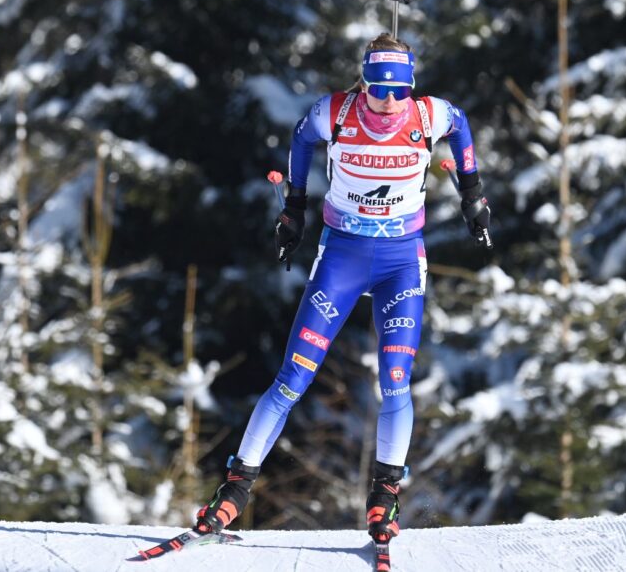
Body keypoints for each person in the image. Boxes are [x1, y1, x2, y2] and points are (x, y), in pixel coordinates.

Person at [195, 33, 492, 543]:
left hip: (401, 261)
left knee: (395, 378)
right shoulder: (334, 112)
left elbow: (461, 127)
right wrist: (294, 207)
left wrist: (472, 194)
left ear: (412, 87)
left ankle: (384, 499)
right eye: (379, 90)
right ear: (364, 83)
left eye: (400, 91)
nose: (390, 102)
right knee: (293, 377)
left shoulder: (428, 116)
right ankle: (236, 490)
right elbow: (300, 139)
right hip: (342, 257)